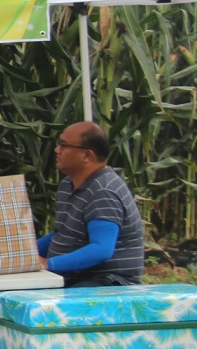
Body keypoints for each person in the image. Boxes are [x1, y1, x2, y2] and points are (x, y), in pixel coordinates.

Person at [37, 122, 145, 286]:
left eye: (64, 145)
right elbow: (62, 234)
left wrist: (48, 264)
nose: (56, 150)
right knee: (3, 292)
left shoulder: (103, 191)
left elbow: (101, 250)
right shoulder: (68, 185)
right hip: (76, 277)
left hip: (108, 282)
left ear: (87, 155)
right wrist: (23, 253)